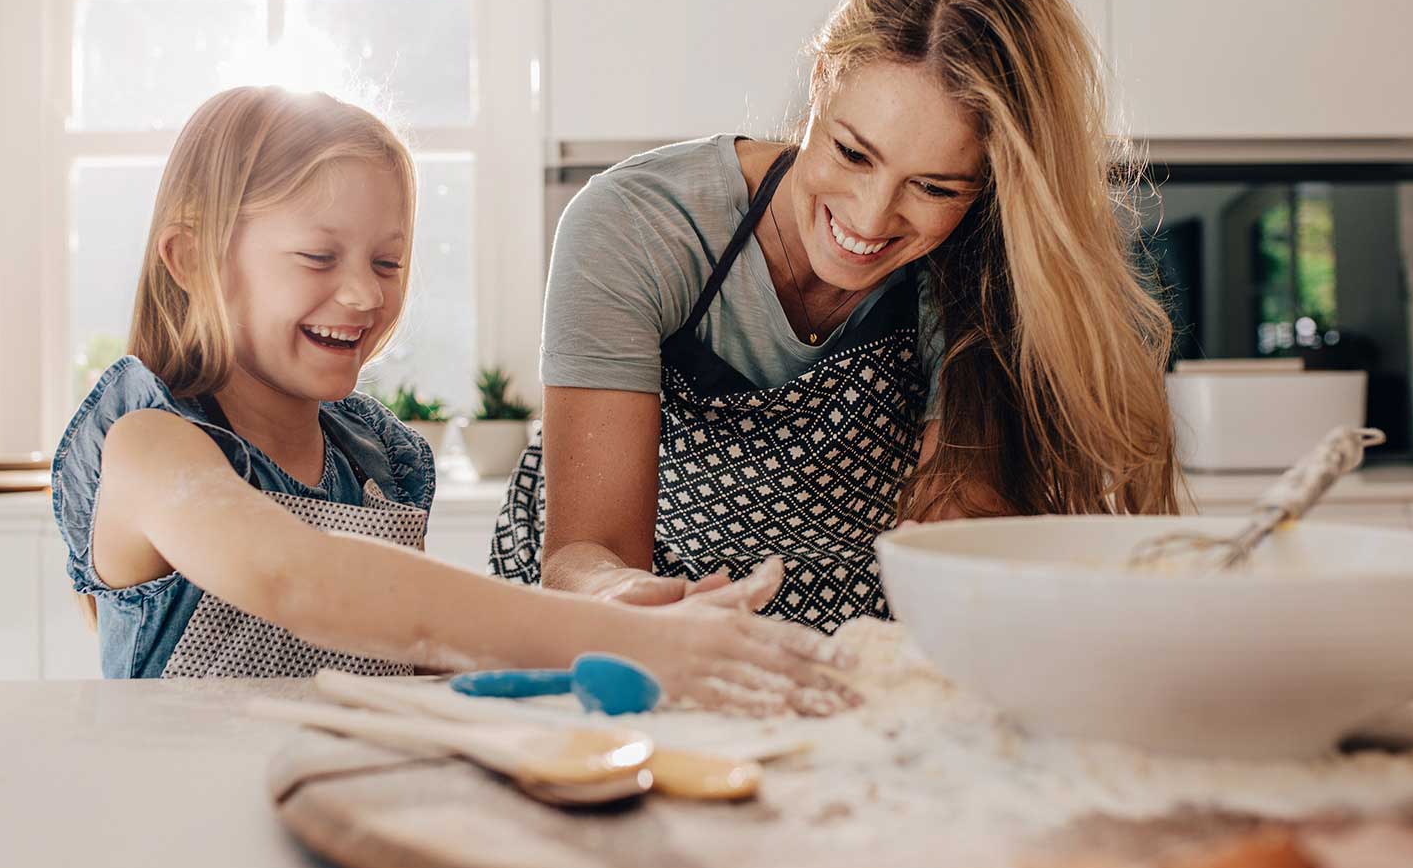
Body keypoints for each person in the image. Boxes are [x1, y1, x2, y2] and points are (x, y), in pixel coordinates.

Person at [50, 86, 855, 716]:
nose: (363, 292)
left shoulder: (378, 463)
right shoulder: (149, 445)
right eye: (318, 255)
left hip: (338, 823)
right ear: (191, 258)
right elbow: (297, 576)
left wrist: (619, 625)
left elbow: (409, 648)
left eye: (389, 261)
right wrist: (625, 637)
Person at [491, 0, 1179, 634]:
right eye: (853, 153)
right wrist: (638, 606)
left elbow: (954, 527)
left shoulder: (980, 274)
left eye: (934, 187)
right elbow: (587, 551)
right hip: (595, 635)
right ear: (822, 79)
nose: (871, 217)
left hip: (842, 646)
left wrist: (961, 572)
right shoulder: (638, 226)